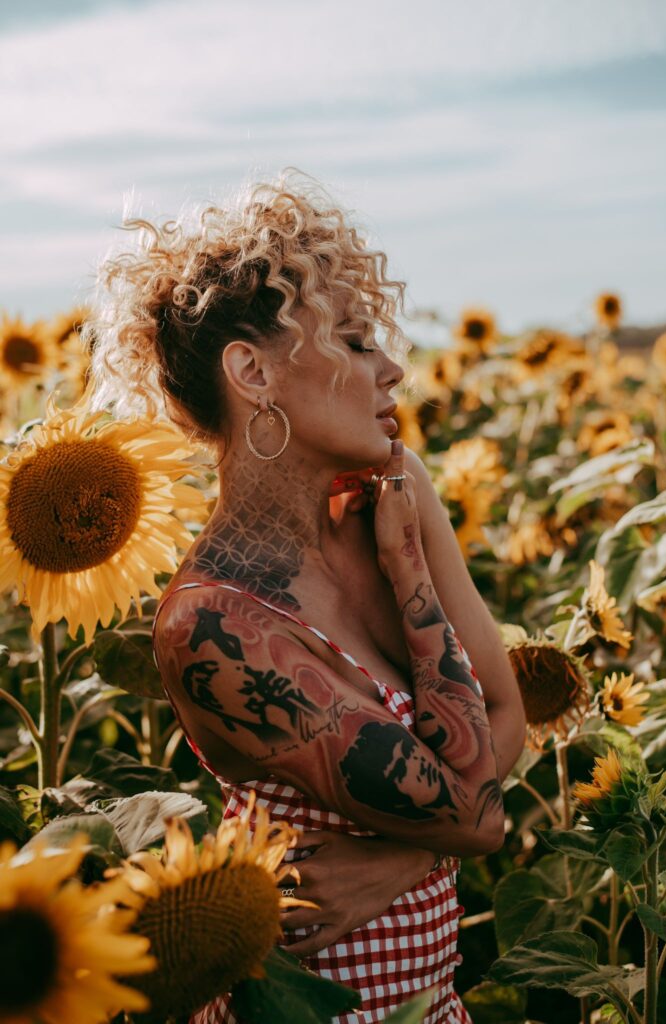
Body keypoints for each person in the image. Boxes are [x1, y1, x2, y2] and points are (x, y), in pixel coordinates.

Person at [88, 169, 527, 1024]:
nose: (393, 368)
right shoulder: (215, 625)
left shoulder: (400, 490)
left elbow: (505, 712)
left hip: (435, 1003)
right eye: (358, 342)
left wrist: (398, 860)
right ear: (253, 371)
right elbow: (475, 816)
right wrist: (411, 582)